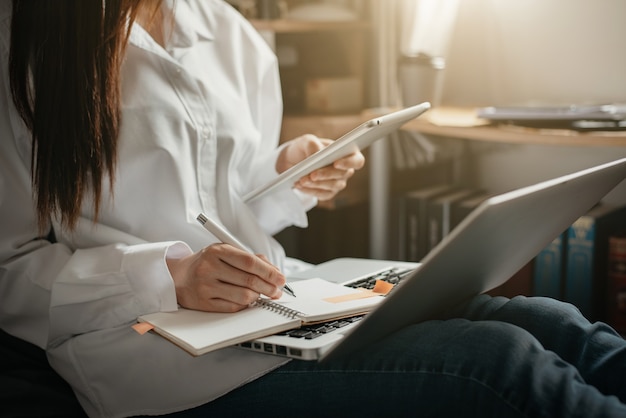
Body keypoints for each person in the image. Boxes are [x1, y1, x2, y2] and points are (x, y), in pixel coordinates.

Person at [1, 1, 625, 417]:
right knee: (497, 365)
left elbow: (229, 206)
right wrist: (168, 277)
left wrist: (291, 175)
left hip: (280, 299)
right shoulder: (20, 43)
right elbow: (9, 268)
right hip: (149, 348)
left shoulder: (229, 33)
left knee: (550, 320)